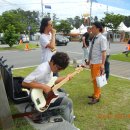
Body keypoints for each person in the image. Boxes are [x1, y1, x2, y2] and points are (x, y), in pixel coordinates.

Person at [22, 52, 75, 124]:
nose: (58, 71)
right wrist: (43, 86)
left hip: (43, 95)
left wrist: (66, 77)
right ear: (52, 61)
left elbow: (53, 81)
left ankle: (68, 115)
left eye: (61, 69)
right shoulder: (43, 69)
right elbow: (24, 83)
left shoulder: (50, 68)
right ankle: (70, 124)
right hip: (39, 99)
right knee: (68, 102)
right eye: (58, 68)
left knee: (64, 93)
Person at [87, 22, 107, 105]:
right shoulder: (95, 37)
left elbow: (104, 52)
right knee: (94, 80)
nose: (92, 29)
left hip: (97, 63)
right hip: (93, 61)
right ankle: (96, 93)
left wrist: (102, 64)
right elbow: (92, 50)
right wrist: (89, 60)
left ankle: (97, 96)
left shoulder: (102, 38)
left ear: (98, 28)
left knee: (96, 80)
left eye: (93, 27)